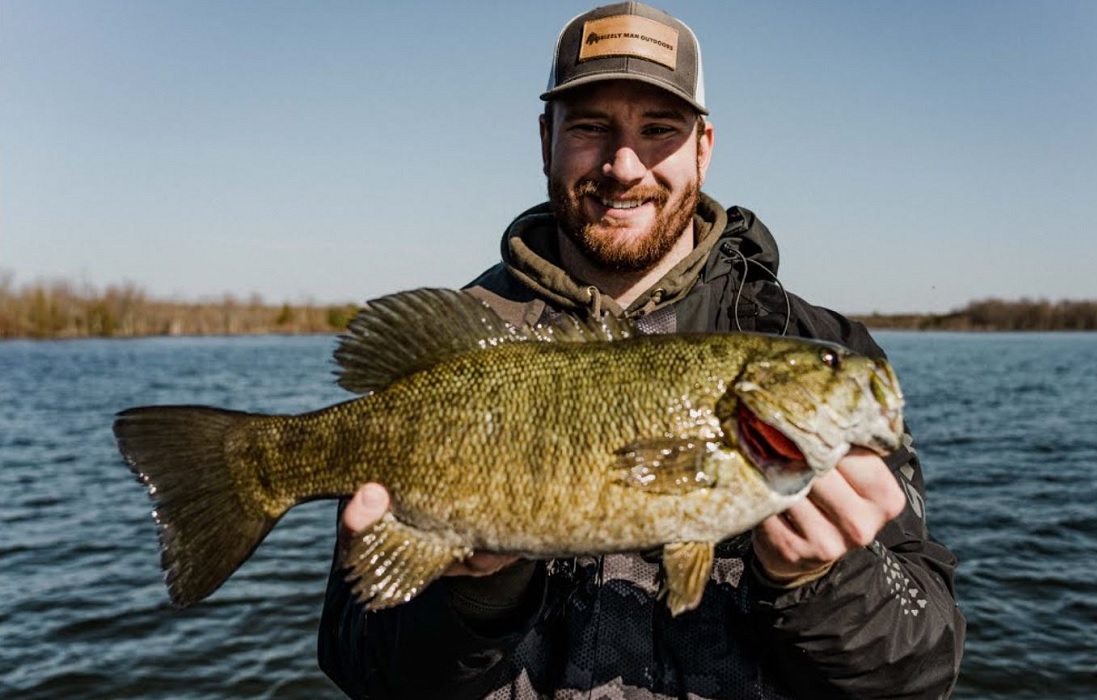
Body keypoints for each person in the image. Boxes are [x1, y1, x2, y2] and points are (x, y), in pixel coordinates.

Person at [319, 3, 965, 698]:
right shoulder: (464, 349)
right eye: (591, 127)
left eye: (659, 130)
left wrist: (825, 582)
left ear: (703, 147)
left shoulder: (821, 345)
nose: (624, 164)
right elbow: (363, 666)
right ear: (547, 140)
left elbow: (923, 672)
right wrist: (478, 597)